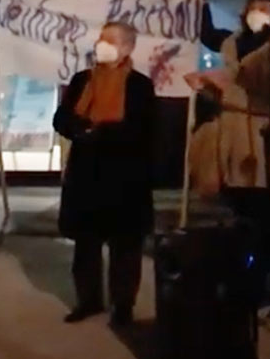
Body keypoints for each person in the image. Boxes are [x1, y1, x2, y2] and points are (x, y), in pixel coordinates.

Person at [186, 0, 270, 323]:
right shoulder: (233, 43)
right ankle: (249, 289)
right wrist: (201, 0)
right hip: (238, 145)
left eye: (265, 7)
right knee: (244, 219)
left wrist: (223, 83)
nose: (258, 13)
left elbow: (263, 79)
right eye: (253, 7)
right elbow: (211, 38)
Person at [52, 21, 156, 327]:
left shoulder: (139, 85)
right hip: (86, 170)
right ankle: (89, 300)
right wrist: (80, 130)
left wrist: (101, 133)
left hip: (125, 174)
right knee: (86, 242)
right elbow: (62, 117)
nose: (102, 46)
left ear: (127, 48)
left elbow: (141, 128)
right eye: (101, 39)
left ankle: (123, 304)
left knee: (125, 244)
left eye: (110, 41)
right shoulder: (82, 79)